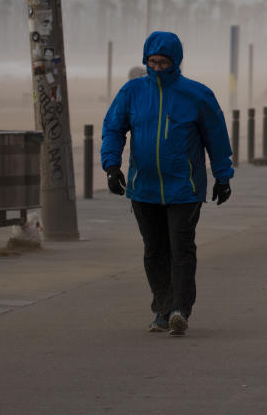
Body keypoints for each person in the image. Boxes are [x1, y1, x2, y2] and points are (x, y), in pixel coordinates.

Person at [101, 31, 234, 336]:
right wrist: (111, 166)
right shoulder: (132, 92)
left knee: (181, 247)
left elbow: (217, 138)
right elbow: (113, 128)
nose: (157, 68)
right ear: (145, 61)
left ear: (175, 62)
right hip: (143, 187)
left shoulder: (197, 95)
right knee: (154, 250)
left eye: (163, 63)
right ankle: (162, 308)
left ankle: (180, 310)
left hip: (183, 188)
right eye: (152, 62)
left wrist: (223, 177)